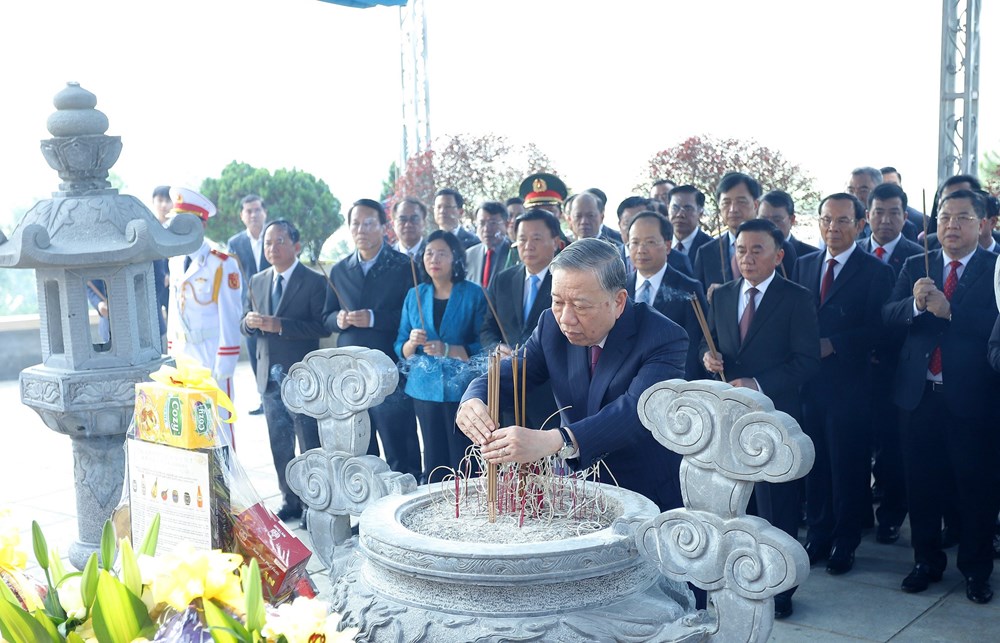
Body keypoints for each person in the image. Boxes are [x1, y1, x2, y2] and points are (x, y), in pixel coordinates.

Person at [457, 238, 688, 512]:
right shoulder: (550, 326)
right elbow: (513, 374)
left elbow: (636, 413)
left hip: (644, 492)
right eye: (557, 301)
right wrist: (474, 397)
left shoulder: (663, 337)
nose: (566, 318)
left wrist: (556, 440)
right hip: (576, 490)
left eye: (580, 306)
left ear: (618, 301)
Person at [882, 189, 1000, 605]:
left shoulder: (994, 268)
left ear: (984, 224)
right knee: (923, 486)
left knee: (976, 489)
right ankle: (926, 562)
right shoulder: (918, 264)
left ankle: (976, 570)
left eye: (963, 218)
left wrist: (952, 312)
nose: (952, 225)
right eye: (945, 217)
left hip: (972, 398)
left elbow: (996, 324)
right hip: (919, 397)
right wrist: (914, 305)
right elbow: (887, 316)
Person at [700, 218, 820, 618]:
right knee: (737, 502)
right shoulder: (723, 295)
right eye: (740, 251)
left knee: (778, 506)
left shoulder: (796, 297)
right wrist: (708, 357)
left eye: (756, 250)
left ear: (778, 255)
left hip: (775, 418)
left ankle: (781, 587)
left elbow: (807, 361)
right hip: (730, 419)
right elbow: (712, 343)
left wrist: (757, 382)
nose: (747, 259)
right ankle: (742, 578)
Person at [793, 194, 894, 576]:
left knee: (848, 466)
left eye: (842, 221)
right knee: (813, 463)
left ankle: (845, 540)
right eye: (826, 220)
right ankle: (817, 535)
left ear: (860, 224)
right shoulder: (804, 265)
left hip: (850, 386)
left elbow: (880, 329)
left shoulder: (875, 271)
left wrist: (835, 344)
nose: (833, 228)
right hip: (808, 386)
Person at [321, 199, 421, 479]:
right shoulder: (339, 269)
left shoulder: (405, 266)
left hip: (388, 364)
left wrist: (374, 318)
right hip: (349, 371)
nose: (361, 229)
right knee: (359, 442)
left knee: (397, 436)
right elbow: (325, 316)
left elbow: (414, 316)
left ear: (383, 227)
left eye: (368, 223)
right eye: (355, 223)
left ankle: (404, 495)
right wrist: (338, 320)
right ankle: (366, 505)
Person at [241, 219, 329, 523]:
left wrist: (281, 326)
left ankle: (313, 504)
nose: (272, 248)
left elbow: (320, 327)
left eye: (280, 241)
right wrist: (249, 323)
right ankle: (289, 500)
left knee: (308, 444)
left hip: (301, 376)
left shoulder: (315, 281)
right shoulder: (257, 280)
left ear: (296, 246)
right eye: (268, 242)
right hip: (269, 378)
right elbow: (244, 322)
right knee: (279, 444)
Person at [860, 182, 925, 545]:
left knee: (893, 446)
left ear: (906, 216)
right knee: (859, 443)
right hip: (857, 367)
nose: (885, 220)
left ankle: (891, 514)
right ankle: (860, 514)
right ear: (867, 214)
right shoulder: (852, 254)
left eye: (894, 212)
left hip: (899, 368)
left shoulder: (919, 256)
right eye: (879, 212)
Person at [395, 230, 487, 484]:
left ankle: (468, 510)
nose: (434, 258)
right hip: (424, 389)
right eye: (429, 253)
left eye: (442, 253)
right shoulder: (414, 295)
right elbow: (399, 344)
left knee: (465, 457)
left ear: (456, 258)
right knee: (434, 459)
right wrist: (411, 343)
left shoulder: (473, 293)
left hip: (463, 389)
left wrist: (449, 349)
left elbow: (484, 343)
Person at [165, 188, 243, 436]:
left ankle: (223, 475)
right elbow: (174, 310)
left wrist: (226, 362)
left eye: (183, 222)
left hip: (211, 353)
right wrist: (170, 351)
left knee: (218, 427)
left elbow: (231, 317)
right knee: (188, 427)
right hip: (182, 354)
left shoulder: (222, 263)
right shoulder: (175, 259)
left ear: (199, 225)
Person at [480, 208, 561, 429]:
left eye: (536, 238)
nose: (528, 245)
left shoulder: (567, 281)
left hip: (551, 393)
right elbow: (488, 327)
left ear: (555, 241)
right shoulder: (503, 279)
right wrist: (496, 348)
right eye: (522, 239)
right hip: (508, 391)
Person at [625, 211, 707, 380]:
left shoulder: (689, 288)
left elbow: (694, 345)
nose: (641, 250)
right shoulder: (620, 287)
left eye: (650, 242)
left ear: (668, 246)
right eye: (634, 242)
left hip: (671, 382)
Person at [693, 172, 797, 298]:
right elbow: (698, 300)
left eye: (741, 202)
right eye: (726, 202)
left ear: (755, 205)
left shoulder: (780, 247)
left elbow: (793, 294)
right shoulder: (706, 252)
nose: (733, 209)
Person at [228, 194, 271, 416]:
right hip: (249, 310)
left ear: (265, 212)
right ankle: (264, 398)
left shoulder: (274, 237)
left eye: (257, 210)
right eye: (248, 211)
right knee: (255, 354)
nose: (253, 214)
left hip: (275, 305)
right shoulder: (235, 243)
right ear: (242, 216)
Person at [616, 196, 693, 277]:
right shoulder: (607, 259)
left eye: (642, 222)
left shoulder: (678, 261)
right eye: (627, 223)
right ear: (619, 225)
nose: (634, 228)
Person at [465, 201, 511, 289]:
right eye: (481, 223)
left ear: (506, 225)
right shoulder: (469, 255)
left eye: (493, 223)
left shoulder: (514, 253)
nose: (486, 229)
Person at [758, 190, 818, 257]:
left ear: (792, 220)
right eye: (763, 219)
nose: (769, 225)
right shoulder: (747, 253)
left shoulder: (812, 256)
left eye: (777, 220)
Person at [667, 185, 714, 261]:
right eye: (675, 208)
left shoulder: (712, 247)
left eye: (688, 209)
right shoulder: (660, 244)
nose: (680, 214)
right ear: (668, 208)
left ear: (700, 213)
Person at [391, 196, 429, 282]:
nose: (408, 224)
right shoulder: (386, 258)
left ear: (424, 223)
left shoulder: (433, 254)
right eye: (402, 219)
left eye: (414, 219)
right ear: (393, 224)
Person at [879, 166, 927, 232]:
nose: (890, 190)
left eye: (894, 185)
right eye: (884, 186)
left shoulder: (921, 220)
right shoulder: (868, 219)